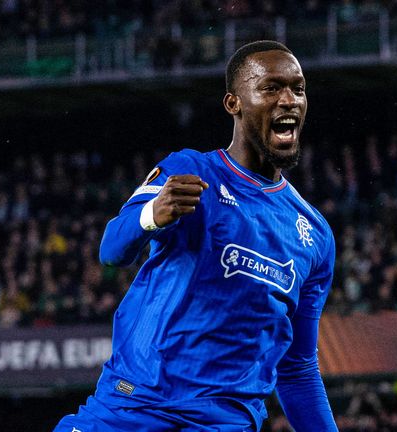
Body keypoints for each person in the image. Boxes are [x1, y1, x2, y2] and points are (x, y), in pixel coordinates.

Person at [54, 40, 337, 432]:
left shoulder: (314, 236)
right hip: (131, 409)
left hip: (222, 424)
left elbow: (298, 366)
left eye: (298, 88)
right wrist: (153, 215)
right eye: (271, 88)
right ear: (233, 103)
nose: (289, 99)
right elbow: (112, 249)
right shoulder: (189, 171)